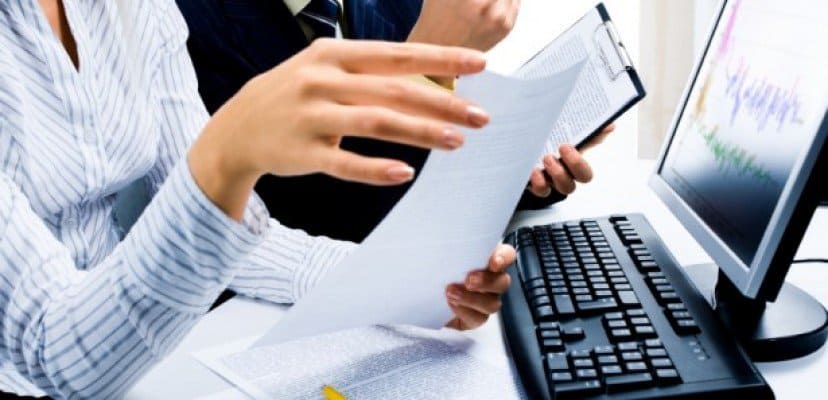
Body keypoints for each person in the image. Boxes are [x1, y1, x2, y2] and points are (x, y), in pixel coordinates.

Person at [0, 0, 514, 397]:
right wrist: (224, 159)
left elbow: (229, 234)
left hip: (139, 357)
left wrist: (400, 284)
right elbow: (52, 353)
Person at [177, 0, 615, 243]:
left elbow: (430, 171)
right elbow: (317, 224)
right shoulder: (188, 22)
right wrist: (428, 55)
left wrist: (517, 171)